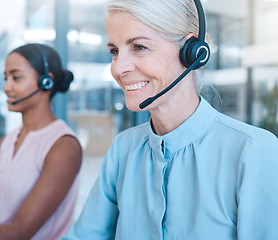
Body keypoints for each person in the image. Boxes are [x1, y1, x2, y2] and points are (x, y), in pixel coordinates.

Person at [63, 0, 278, 239]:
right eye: (114, 51)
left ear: (192, 51)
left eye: (139, 47)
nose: (118, 68)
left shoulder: (254, 152)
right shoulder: (124, 149)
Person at [0, 43, 82, 240]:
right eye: (6, 78)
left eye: (16, 77)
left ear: (46, 82)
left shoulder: (64, 146)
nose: (6, 88)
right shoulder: (7, 141)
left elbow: (20, 231)